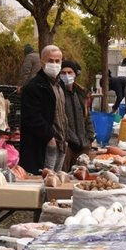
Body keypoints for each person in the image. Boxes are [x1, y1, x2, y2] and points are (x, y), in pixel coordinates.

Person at [19, 45, 66, 173]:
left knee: (55, 183)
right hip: (41, 146)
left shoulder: (60, 85)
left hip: (60, 144)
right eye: (51, 61)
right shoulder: (34, 87)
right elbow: (31, 117)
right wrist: (50, 137)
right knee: (43, 182)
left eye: (58, 61)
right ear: (42, 62)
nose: (54, 64)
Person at [61, 61, 95, 168]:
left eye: (69, 72)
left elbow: (87, 116)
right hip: (67, 145)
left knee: (80, 177)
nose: (66, 75)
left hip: (83, 144)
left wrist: (90, 137)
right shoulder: (58, 93)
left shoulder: (81, 93)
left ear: (75, 74)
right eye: (63, 73)